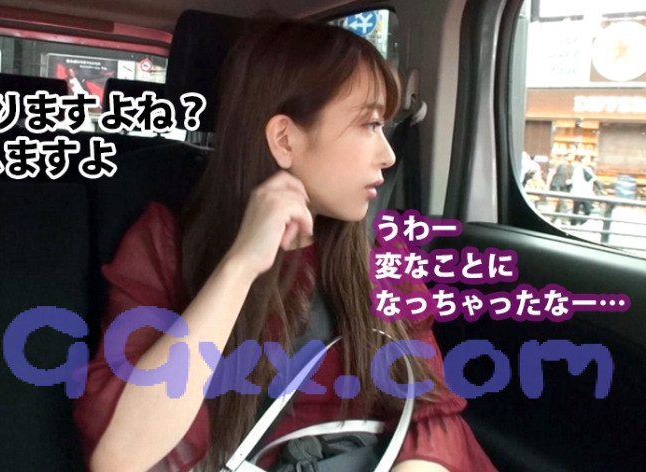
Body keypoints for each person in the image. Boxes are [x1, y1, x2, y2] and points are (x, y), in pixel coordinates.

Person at [73, 20, 496, 472]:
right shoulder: (167, 244)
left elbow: (429, 411)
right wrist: (240, 267)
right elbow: (122, 458)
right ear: (285, 139)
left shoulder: (382, 256)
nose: (388, 155)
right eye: (370, 124)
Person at [546, 154, 574, 223]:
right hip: (557, 185)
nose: (572, 157)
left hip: (565, 186)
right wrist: (548, 184)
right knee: (563, 203)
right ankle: (564, 221)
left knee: (560, 203)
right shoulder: (559, 164)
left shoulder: (571, 166)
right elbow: (552, 173)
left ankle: (553, 219)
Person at [569, 155, 596, 225]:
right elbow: (576, 181)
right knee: (576, 210)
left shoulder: (589, 169)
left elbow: (592, 181)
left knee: (588, 211)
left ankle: (581, 223)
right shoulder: (577, 169)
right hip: (578, 193)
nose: (589, 161)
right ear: (582, 160)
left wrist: (592, 191)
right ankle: (573, 224)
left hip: (587, 193)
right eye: (587, 159)